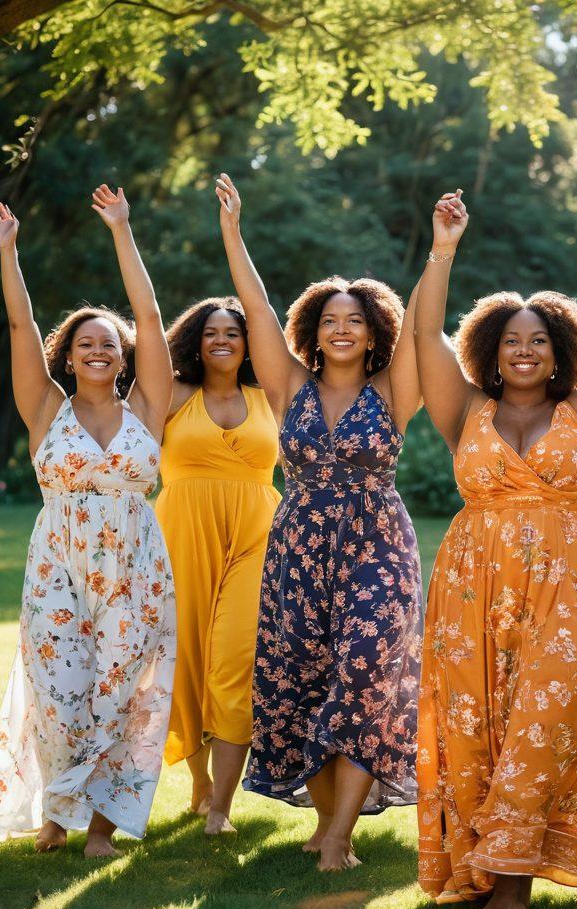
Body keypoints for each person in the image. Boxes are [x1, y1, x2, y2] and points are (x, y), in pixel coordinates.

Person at [414, 171, 577, 909]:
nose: (524, 351)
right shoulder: (464, 408)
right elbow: (424, 334)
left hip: (568, 581)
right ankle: (485, 866)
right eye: (510, 342)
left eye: (537, 341)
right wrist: (442, 250)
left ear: (559, 351)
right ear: (490, 353)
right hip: (472, 581)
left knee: (541, 719)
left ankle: (513, 882)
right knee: (477, 726)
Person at [215, 173, 423, 871]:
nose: (341, 328)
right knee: (298, 674)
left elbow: (426, 324)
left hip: (377, 542)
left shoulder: (394, 390)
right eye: (330, 319)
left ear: (373, 333)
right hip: (299, 542)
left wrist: (443, 250)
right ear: (315, 330)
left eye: (354, 320)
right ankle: (327, 820)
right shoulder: (290, 387)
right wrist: (234, 231)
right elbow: (255, 306)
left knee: (366, 671)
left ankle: (338, 836)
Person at [0, 187, 175, 857]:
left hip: (133, 566)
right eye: (86, 343)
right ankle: (52, 816)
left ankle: (99, 830)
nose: (99, 350)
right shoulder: (44, 409)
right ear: (70, 355)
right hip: (57, 562)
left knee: (119, 690)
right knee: (58, 691)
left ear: (123, 357)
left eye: (109, 344)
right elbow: (18, 325)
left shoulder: (149, 405)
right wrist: (9, 252)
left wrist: (123, 228)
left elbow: (147, 314)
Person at [156, 296, 281, 834]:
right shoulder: (174, 395)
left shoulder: (269, 398)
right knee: (185, 658)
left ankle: (222, 809)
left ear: (249, 342)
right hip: (180, 534)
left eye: (233, 331)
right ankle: (200, 783)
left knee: (235, 660)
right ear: (194, 341)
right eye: (211, 332)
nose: (222, 340)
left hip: (258, 536)